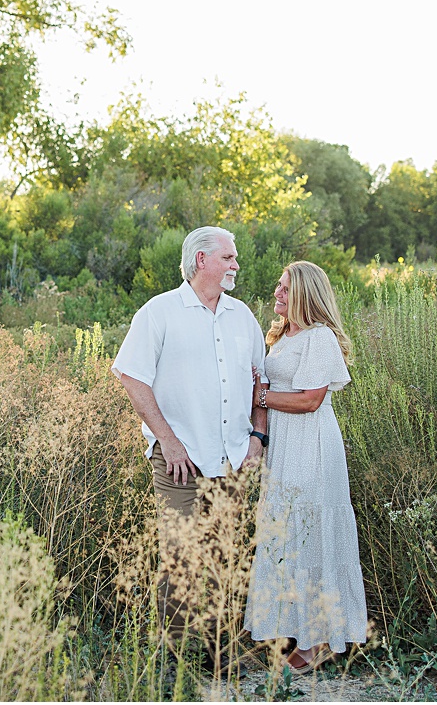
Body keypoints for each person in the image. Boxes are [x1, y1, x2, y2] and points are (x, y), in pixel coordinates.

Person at [113, 225, 269, 631]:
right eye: (228, 257)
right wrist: (169, 440)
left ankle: (222, 655)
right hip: (179, 460)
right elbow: (131, 377)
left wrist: (257, 438)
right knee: (179, 559)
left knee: (225, 558)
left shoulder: (243, 316)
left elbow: (261, 381)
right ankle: (177, 661)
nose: (236, 264)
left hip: (233, 457)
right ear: (201, 260)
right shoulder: (158, 312)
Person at [243, 260, 367, 673]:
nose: (277, 293)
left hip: (312, 444)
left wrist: (260, 399)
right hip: (284, 445)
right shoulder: (281, 336)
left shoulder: (320, 338)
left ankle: (318, 642)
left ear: (305, 294)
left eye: (284, 288)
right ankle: (292, 629)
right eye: (277, 285)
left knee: (310, 533)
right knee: (287, 533)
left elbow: (310, 399)